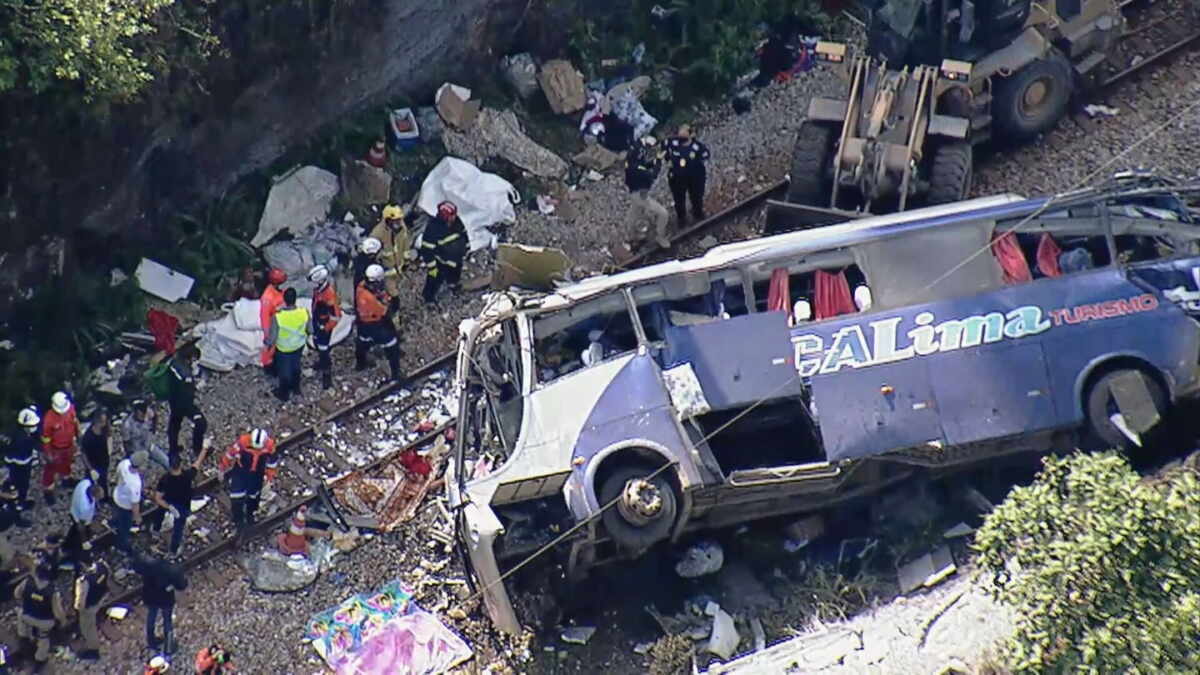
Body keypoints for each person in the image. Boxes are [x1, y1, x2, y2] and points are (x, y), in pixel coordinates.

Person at [150, 444, 210, 558]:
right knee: (178, 528)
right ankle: (173, 551)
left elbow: (157, 498)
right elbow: (198, 462)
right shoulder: (187, 475)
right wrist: (204, 448)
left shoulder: (165, 479)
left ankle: (155, 531)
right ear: (180, 465)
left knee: (160, 512)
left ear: (170, 466)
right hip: (183, 505)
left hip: (168, 500)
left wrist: (168, 507)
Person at [220, 429, 278, 534]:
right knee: (236, 497)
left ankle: (250, 515)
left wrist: (269, 477)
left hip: (257, 475)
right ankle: (238, 520)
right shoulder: (242, 442)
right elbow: (230, 454)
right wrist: (222, 468)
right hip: (241, 472)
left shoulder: (269, 445)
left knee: (253, 497)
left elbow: (272, 462)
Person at [131, 551, 187, 655]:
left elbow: (135, 567)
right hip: (166, 598)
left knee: (151, 617)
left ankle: (151, 641)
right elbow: (181, 585)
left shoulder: (147, 565)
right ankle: (169, 647)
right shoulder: (172, 569)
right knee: (167, 621)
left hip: (149, 596)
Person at [14, 561, 65, 670]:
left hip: (27, 616)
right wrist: (62, 621)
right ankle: (39, 660)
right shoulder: (52, 592)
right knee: (44, 639)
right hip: (44, 622)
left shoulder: (27, 582)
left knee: (21, 620)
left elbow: (16, 594)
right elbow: (57, 612)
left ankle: (23, 643)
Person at [355, 265, 403, 381]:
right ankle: (396, 375)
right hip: (375, 324)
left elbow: (381, 295)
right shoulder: (369, 298)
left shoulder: (361, 287)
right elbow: (385, 311)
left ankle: (360, 364)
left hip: (363, 324)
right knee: (392, 345)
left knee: (362, 342)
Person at [624, 135, 670, 249]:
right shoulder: (638, 170)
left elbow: (643, 164)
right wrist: (658, 161)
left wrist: (653, 161)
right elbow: (653, 175)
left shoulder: (631, 164)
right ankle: (660, 236)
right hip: (641, 194)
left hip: (634, 191)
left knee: (633, 213)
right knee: (663, 214)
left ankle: (631, 235)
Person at [419, 201, 468, 304]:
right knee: (435, 279)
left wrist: (466, 248)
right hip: (441, 260)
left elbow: (463, 234)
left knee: (455, 273)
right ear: (445, 216)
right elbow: (427, 249)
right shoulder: (433, 228)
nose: (455, 217)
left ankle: (453, 285)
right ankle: (428, 298)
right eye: (452, 215)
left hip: (456, 258)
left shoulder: (456, 221)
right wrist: (432, 267)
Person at [166, 346, 208, 463]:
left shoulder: (174, 363)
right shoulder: (185, 373)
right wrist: (196, 385)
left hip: (173, 400)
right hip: (184, 403)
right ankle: (197, 449)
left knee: (174, 424)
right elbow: (188, 388)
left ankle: (173, 449)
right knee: (201, 423)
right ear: (192, 358)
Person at [268, 287, 310, 402]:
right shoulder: (304, 312)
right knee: (296, 367)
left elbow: (272, 338)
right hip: (299, 346)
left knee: (284, 372)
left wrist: (267, 344)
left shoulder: (278, 317)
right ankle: (296, 389)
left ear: (284, 300)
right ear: (295, 299)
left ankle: (284, 394)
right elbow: (310, 330)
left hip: (284, 349)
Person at [665, 124, 711, 225]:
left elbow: (706, 155)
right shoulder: (673, 143)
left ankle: (697, 213)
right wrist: (668, 160)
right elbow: (665, 150)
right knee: (679, 199)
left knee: (696, 196)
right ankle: (681, 218)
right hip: (677, 177)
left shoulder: (697, 147)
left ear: (691, 135)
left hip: (694, 177)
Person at [40, 391, 80, 505]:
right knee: (50, 469)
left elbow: (75, 421)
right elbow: (46, 438)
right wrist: (48, 453)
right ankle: (48, 489)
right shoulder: (49, 419)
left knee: (67, 463)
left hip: (69, 445)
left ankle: (66, 479)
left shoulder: (70, 408)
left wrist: (78, 434)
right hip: (55, 449)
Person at [74, 547, 111, 661]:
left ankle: (93, 650)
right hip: (102, 597)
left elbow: (80, 602)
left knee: (88, 628)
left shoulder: (83, 581)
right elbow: (108, 577)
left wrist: (78, 609)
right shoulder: (102, 566)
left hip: (90, 606)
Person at [309, 265, 342, 391]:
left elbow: (336, 316)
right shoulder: (320, 290)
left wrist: (326, 328)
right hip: (318, 323)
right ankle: (322, 363)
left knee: (324, 349)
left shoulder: (329, 295)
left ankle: (327, 376)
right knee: (319, 344)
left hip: (324, 326)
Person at [370, 204, 413, 292]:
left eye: (399, 220)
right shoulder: (377, 234)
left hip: (400, 269)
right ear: (388, 220)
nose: (399, 222)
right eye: (396, 220)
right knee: (392, 296)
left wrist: (407, 261)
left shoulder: (402, 228)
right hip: (387, 273)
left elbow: (405, 245)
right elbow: (372, 257)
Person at [113, 451, 149, 552]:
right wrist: (137, 517)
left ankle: (113, 524)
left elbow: (117, 475)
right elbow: (135, 504)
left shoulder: (124, 463)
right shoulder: (135, 483)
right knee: (125, 526)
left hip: (117, 496)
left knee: (117, 517)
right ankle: (122, 546)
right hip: (125, 506)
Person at [5, 407, 41, 509]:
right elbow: (23, 457)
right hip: (20, 467)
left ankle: (20, 501)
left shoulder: (17, 432)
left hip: (16, 465)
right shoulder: (23, 439)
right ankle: (18, 508)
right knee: (20, 487)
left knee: (19, 485)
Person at [126, 399, 172, 470]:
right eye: (141, 411)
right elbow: (126, 443)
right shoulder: (128, 424)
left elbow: (155, 416)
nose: (143, 414)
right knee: (140, 472)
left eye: (144, 411)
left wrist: (154, 430)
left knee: (167, 462)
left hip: (149, 446)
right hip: (137, 451)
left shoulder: (148, 413)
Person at [259, 268, 287, 372]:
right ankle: (270, 368)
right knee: (271, 350)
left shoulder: (279, 292)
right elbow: (264, 317)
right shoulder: (267, 297)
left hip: (281, 324)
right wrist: (267, 334)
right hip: (273, 326)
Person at [79, 409, 112, 497]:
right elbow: (83, 454)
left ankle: (104, 497)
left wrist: (110, 443)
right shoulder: (88, 436)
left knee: (103, 480)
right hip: (93, 464)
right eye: (103, 422)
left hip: (104, 461)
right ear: (97, 422)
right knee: (91, 483)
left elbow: (109, 435)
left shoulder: (105, 429)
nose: (105, 424)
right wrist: (91, 469)